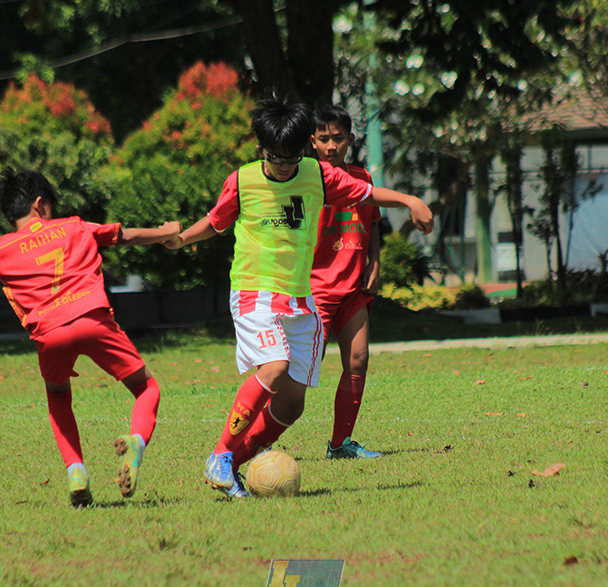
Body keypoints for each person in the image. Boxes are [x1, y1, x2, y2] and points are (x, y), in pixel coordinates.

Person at [165, 98, 433, 498]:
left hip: (299, 299)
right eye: (276, 158)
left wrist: (411, 200)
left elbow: (368, 194)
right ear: (261, 150)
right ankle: (220, 454)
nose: (285, 166)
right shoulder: (242, 180)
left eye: (292, 158)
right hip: (255, 291)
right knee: (273, 368)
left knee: (291, 406)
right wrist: (183, 238)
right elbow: (216, 221)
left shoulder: (319, 176)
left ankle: (230, 466)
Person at [0, 169, 180, 506]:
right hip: (93, 319)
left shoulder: (2, 248)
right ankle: (137, 442)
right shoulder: (75, 226)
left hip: (49, 333)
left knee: (57, 396)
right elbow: (126, 236)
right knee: (146, 388)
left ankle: (76, 470)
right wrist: (166, 232)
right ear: (41, 204)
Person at [309, 104, 384, 459]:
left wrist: (375, 260)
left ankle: (340, 445)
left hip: (353, 288)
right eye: (323, 139)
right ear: (312, 142)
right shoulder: (306, 180)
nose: (331, 146)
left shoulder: (363, 177)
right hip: (314, 290)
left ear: (350, 140)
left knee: (358, 359)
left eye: (338, 138)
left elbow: (373, 222)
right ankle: (261, 440)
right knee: (296, 371)